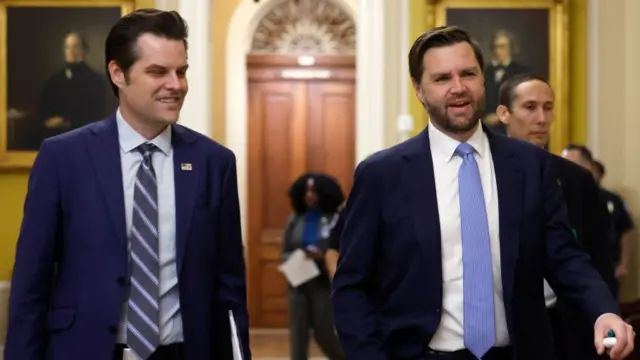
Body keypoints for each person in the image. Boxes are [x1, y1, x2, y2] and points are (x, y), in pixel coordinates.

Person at [331, 25, 634, 360]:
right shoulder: (382, 175)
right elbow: (350, 287)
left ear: (483, 78)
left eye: (468, 74)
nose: (458, 88)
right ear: (418, 89)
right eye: (442, 78)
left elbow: (564, 257)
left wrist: (603, 311)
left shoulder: (529, 165)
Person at [5, 9, 250, 360]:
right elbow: (31, 282)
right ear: (118, 73)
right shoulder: (63, 158)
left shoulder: (215, 163)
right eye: (157, 72)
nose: (176, 85)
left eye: (181, 71)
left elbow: (230, 288)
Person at [495, 73, 615, 360]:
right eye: (530, 107)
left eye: (548, 108)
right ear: (504, 113)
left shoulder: (577, 179)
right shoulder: (486, 174)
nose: (541, 118)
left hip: (566, 324)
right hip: (505, 325)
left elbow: (597, 257)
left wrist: (606, 316)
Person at [282, 173, 345, 360]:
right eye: (307, 190)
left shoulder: (335, 219)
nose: (310, 195)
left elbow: (338, 250)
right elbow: (284, 252)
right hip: (298, 284)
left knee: (325, 333)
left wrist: (321, 256)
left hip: (322, 285)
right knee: (298, 337)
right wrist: (298, 256)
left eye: (314, 191)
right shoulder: (294, 220)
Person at [592, 159, 635, 284]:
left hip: (608, 265)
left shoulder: (613, 200)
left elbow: (625, 231)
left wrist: (623, 264)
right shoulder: (567, 197)